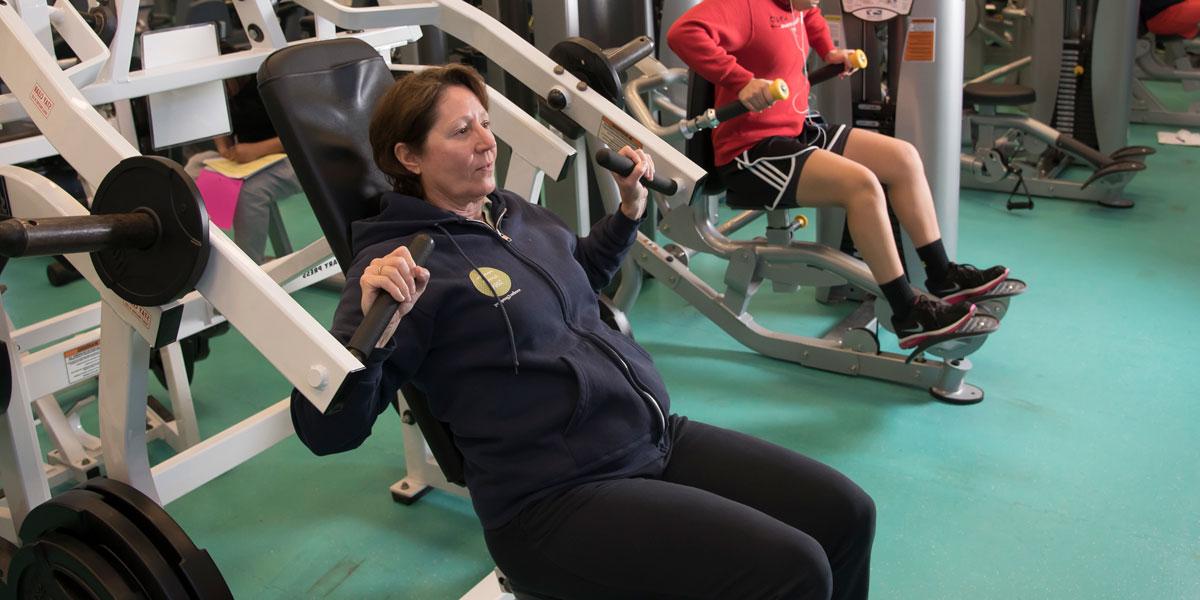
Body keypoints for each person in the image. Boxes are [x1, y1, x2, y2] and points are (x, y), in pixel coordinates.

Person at [290, 64, 874, 600]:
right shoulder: (400, 264)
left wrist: (626, 214)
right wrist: (367, 332)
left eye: (486, 124)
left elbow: (577, 278)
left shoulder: (508, 211)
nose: (487, 142)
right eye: (461, 131)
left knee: (847, 513)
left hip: (648, 435)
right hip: (552, 498)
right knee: (795, 569)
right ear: (409, 157)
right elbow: (329, 430)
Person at [668, 0, 1015, 349]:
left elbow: (811, 14)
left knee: (903, 157)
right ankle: (907, 312)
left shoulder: (798, 3)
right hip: (751, 152)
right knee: (861, 186)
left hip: (797, 128)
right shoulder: (744, 5)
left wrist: (829, 51)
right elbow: (683, 33)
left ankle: (943, 275)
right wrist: (739, 80)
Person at [184, 74, 301, 264]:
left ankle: (249, 265)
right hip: (247, 158)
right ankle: (190, 252)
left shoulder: (270, 83)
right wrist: (223, 148)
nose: (223, 92)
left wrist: (258, 149)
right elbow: (217, 118)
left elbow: (302, 131)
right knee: (196, 165)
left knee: (250, 192)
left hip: (291, 156)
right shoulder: (221, 90)